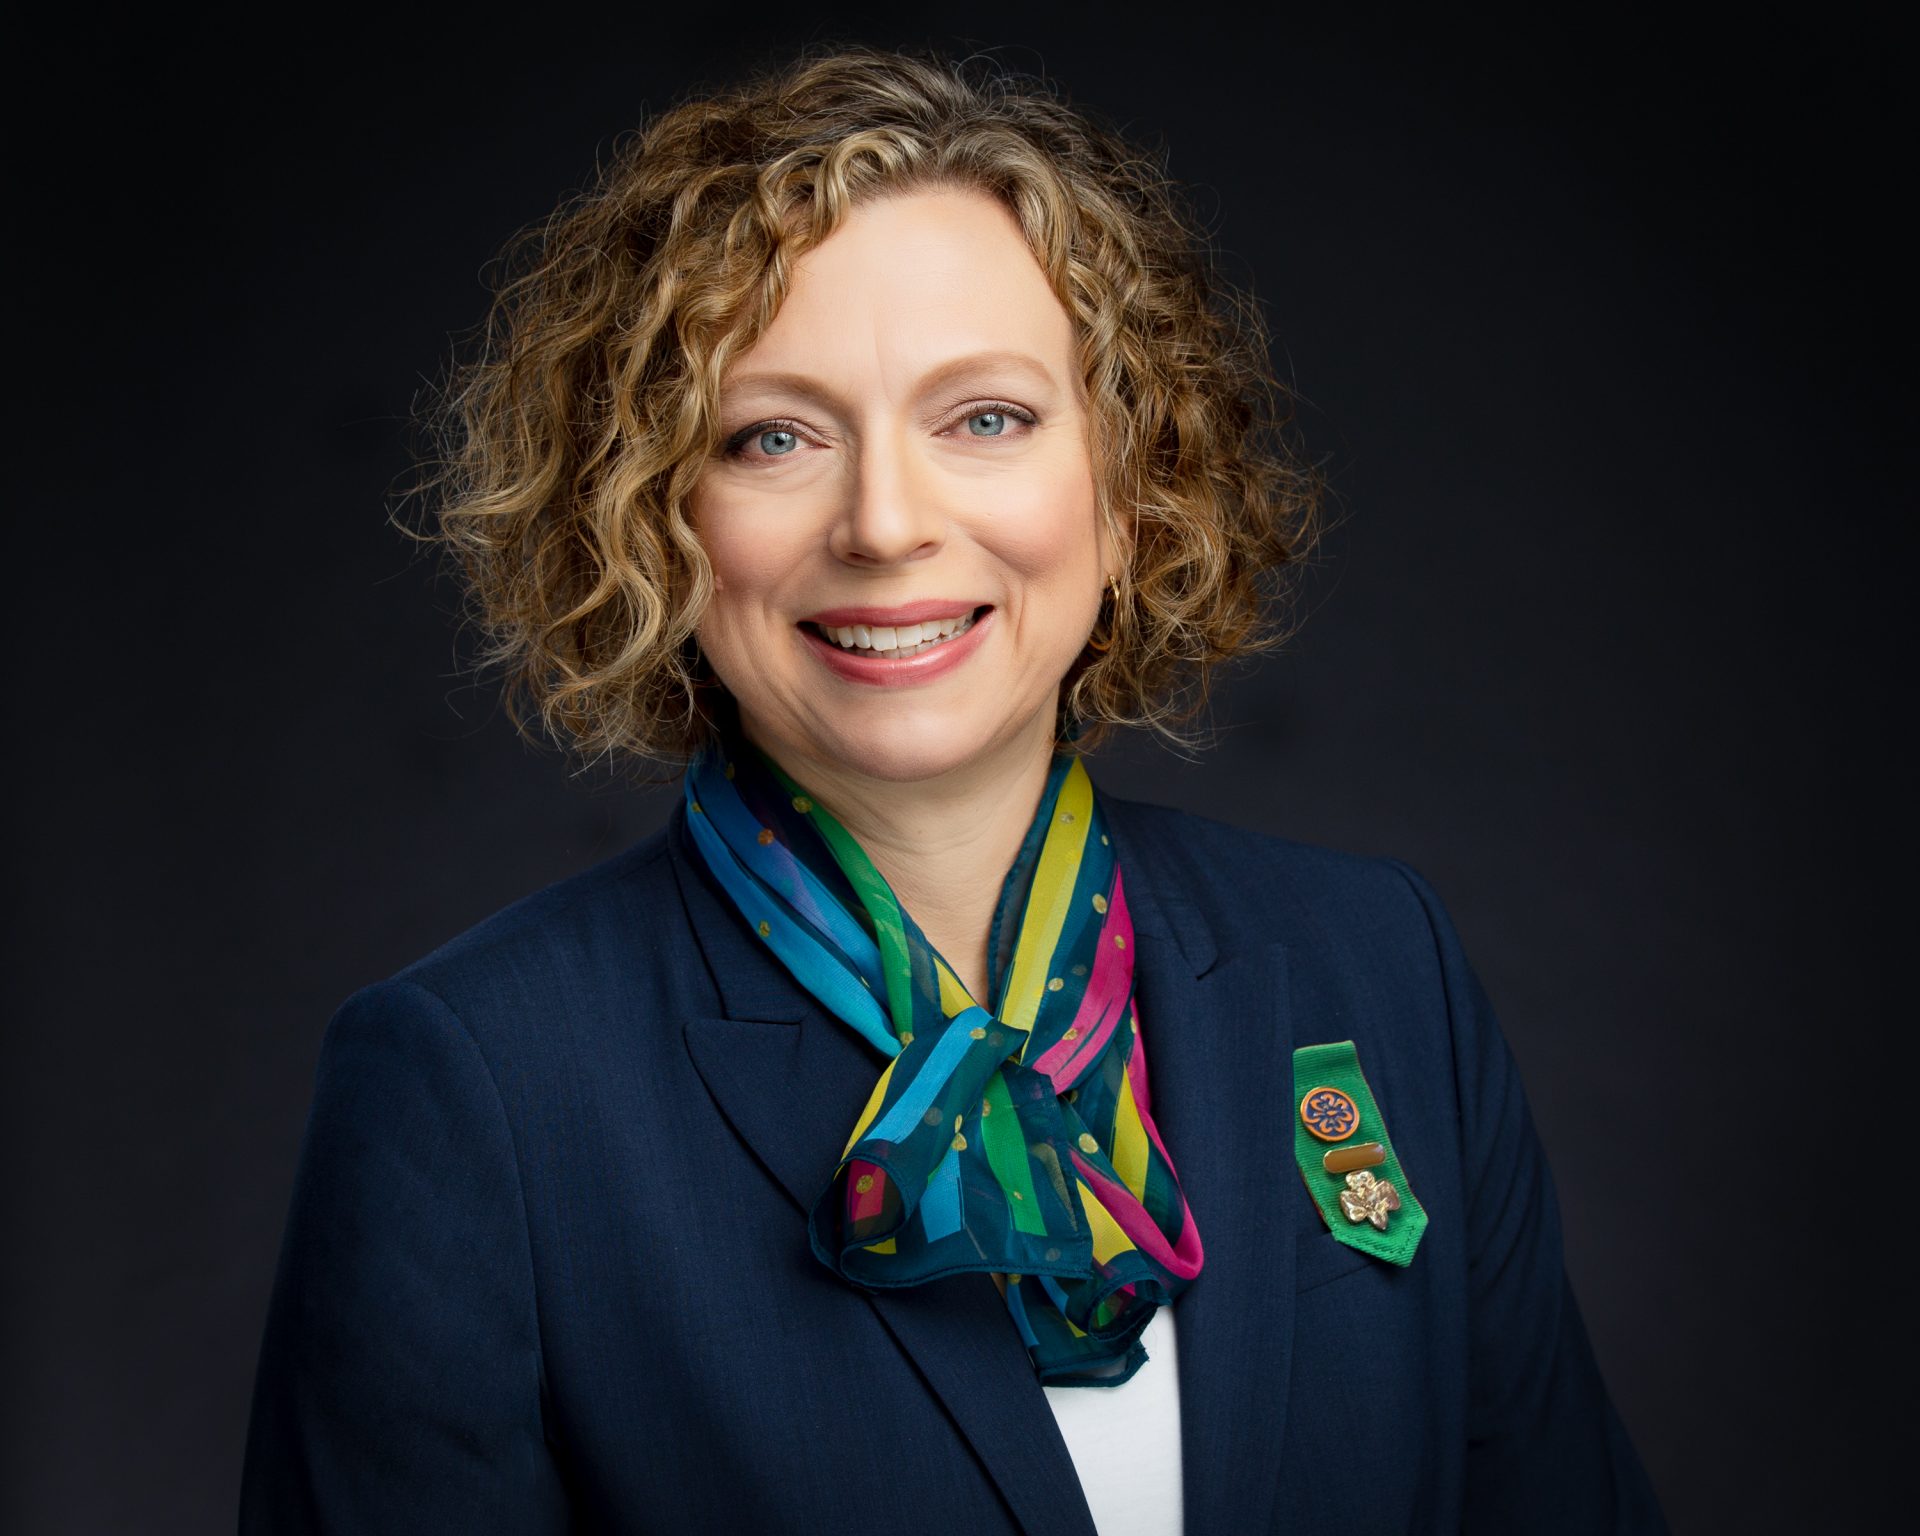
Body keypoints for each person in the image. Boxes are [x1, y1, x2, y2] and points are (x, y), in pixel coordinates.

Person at [240, 44, 1666, 1535]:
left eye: (984, 418)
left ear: (1129, 486)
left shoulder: (1378, 969)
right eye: (772, 436)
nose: (886, 523)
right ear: (652, 520)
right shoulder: (477, 1089)